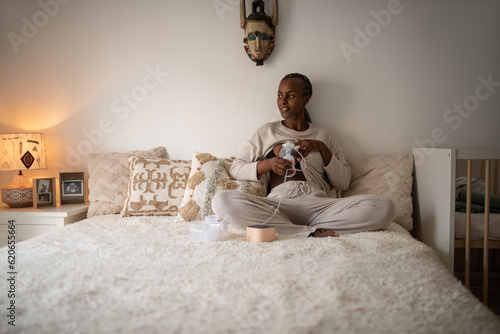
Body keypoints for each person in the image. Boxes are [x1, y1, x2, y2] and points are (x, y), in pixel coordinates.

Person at [212, 73, 395, 237]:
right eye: (279, 95)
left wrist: (322, 148)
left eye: (290, 96)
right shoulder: (267, 132)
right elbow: (236, 168)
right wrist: (267, 165)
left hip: (319, 206)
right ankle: (306, 232)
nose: (283, 101)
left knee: (384, 207)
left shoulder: (324, 136)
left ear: (306, 98)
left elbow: (343, 182)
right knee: (221, 201)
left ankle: (290, 228)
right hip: (278, 205)